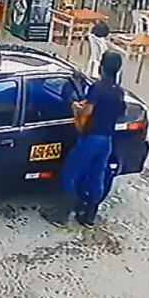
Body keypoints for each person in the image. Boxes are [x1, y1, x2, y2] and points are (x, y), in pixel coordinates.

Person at [54, 52, 125, 227]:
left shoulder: (98, 88)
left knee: (70, 173)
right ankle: (89, 216)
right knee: (96, 177)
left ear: (102, 67)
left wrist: (75, 107)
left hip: (91, 138)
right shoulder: (118, 91)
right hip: (106, 140)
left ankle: (62, 215)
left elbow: (87, 111)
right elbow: (120, 112)